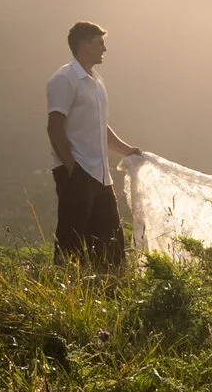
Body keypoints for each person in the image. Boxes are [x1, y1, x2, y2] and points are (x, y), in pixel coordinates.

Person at [46, 21, 144, 268]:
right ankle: (62, 290)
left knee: (111, 243)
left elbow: (100, 125)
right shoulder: (64, 79)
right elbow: (54, 127)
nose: (105, 49)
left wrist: (126, 149)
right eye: (100, 43)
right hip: (77, 171)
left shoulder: (97, 80)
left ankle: (109, 290)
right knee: (71, 239)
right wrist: (72, 168)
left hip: (101, 175)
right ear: (83, 44)